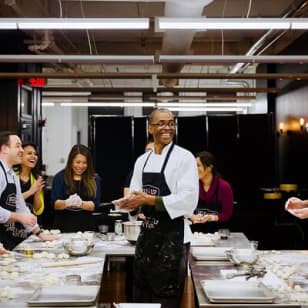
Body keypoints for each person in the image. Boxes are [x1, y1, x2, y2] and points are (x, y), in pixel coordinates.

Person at [114, 108, 199, 308]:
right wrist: (129, 204)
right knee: (141, 295)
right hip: (147, 238)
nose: (167, 127)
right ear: (150, 127)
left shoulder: (184, 158)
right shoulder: (142, 161)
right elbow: (135, 195)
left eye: (171, 123)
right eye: (161, 123)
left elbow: (189, 200)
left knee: (166, 299)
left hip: (174, 241)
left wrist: (150, 200)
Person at [0, 131, 55, 250]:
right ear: (5, 149)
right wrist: (18, 217)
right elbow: (19, 214)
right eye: (17, 146)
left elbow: (21, 206)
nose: (21, 150)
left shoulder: (12, 175)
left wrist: (39, 233)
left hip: (6, 241)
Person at [50, 144, 101, 232]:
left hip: (86, 230)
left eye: (84, 163)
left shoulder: (94, 179)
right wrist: (67, 203)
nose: (80, 166)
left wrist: (81, 204)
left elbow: (95, 205)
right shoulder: (60, 177)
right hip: (63, 229)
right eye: (77, 162)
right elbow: (55, 204)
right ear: (71, 161)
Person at [190, 151, 234, 233]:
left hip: (217, 234)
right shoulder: (191, 185)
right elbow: (183, 209)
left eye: (198, 165)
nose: (194, 169)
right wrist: (191, 216)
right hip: (194, 234)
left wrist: (212, 217)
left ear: (210, 167)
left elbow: (227, 214)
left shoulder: (224, 187)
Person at [14, 143, 45, 217]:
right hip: (10, 223)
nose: (33, 156)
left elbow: (38, 210)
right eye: (29, 153)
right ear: (20, 156)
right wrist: (30, 192)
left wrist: (37, 193)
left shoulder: (37, 178)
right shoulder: (10, 174)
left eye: (35, 154)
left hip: (29, 223)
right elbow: (9, 202)